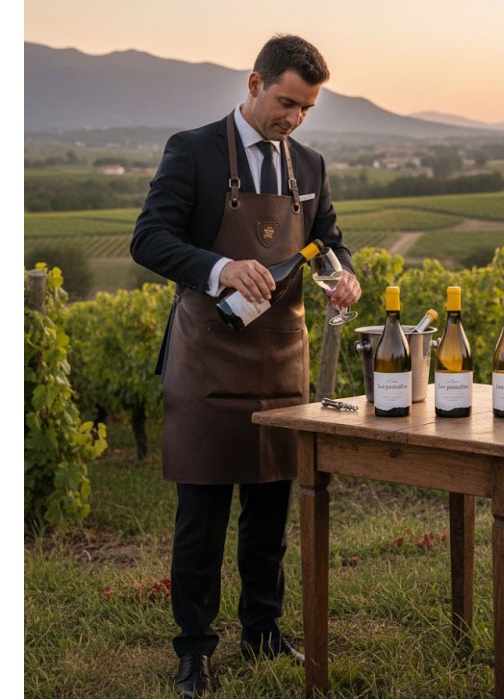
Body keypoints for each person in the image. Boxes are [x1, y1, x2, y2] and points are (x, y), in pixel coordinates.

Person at [130, 34, 361, 698]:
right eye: (286, 101)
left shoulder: (310, 167)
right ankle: (194, 651)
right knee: (200, 521)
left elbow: (332, 242)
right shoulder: (194, 149)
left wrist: (342, 275)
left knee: (269, 514)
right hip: (208, 361)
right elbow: (150, 238)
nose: (294, 118)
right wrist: (220, 266)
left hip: (282, 361)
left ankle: (263, 630)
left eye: (307, 109)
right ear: (255, 83)